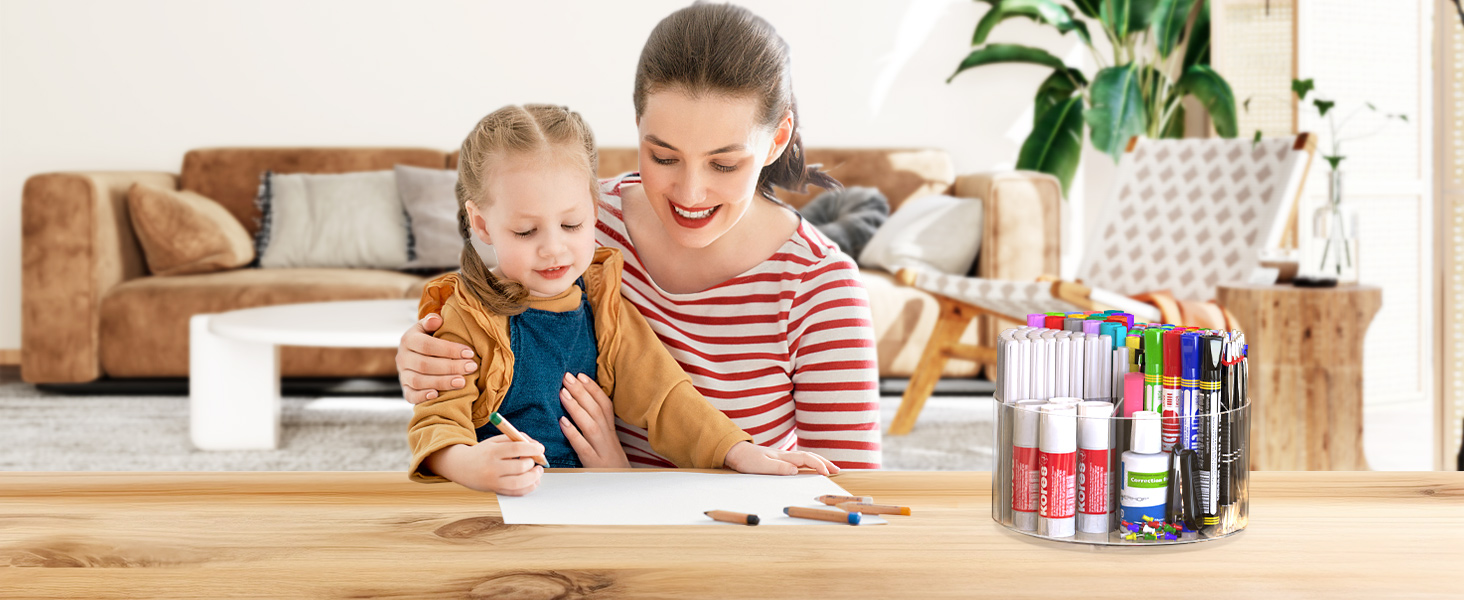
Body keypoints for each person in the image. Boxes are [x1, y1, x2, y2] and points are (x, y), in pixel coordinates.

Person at [399, 3, 882, 470]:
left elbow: (843, 509)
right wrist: (427, 359)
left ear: (776, 140)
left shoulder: (819, 289)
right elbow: (486, 323)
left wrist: (621, 481)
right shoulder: (581, 226)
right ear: (639, 129)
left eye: (724, 164)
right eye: (664, 157)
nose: (690, 194)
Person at [409, 104, 837, 496]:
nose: (554, 249)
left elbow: (666, 397)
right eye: (526, 232)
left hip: (587, 504)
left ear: (594, 210)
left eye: (572, 224)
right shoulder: (465, 314)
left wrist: (737, 451)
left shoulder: (605, 305)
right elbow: (435, 422)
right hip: (490, 507)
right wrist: (469, 464)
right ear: (482, 225)